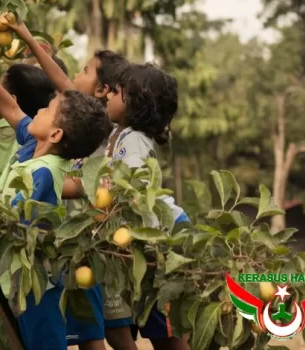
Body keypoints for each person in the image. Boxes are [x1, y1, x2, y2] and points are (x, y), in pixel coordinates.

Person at [0, 53, 112, 350]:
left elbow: (18, 221)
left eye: (47, 109)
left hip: (37, 287)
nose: (38, 111)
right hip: (20, 280)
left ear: (56, 133)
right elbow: (10, 106)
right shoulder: (34, 146)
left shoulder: (44, 173)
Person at [103, 62, 190, 350]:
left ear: (136, 103)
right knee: (154, 325)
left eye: (116, 92)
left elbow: (134, 193)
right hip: (143, 239)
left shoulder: (134, 141)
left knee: (166, 331)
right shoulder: (117, 133)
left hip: (159, 238)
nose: (108, 95)